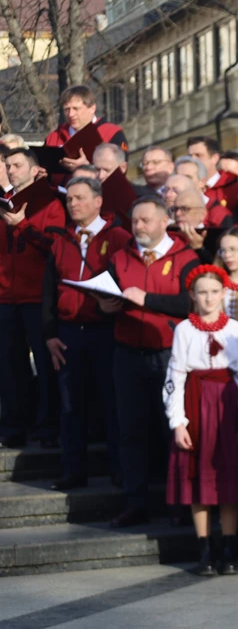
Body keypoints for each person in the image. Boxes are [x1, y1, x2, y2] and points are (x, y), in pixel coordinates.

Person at [105, 197, 200, 527]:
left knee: (169, 428)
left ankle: (179, 503)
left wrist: (148, 300)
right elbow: (107, 290)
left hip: (169, 355)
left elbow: (191, 302)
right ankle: (135, 502)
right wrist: (105, 305)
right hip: (128, 351)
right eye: (134, 221)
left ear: (164, 222)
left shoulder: (185, 258)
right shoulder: (120, 257)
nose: (138, 226)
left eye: (145, 220)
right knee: (130, 430)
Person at [165, 264, 238, 576]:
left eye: (215, 292)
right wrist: (178, 421)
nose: (209, 298)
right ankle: (204, 547)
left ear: (224, 294)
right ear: (193, 295)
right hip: (196, 402)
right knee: (197, 476)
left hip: (227, 406)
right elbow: (175, 376)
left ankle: (229, 547)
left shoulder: (236, 331)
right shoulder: (184, 331)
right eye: (202, 292)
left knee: (228, 477)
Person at [42, 176, 131, 489]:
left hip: (105, 330)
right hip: (68, 332)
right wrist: (50, 332)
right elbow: (49, 290)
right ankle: (73, 471)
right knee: (70, 405)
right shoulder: (61, 238)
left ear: (98, 201)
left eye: (80, 198)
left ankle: (119, 470)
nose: (73, 204)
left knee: (111, 403)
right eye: (70, 199)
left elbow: (127, 281)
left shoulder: (118, 237)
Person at [0, 148, 67, 449]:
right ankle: (15, 427)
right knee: (10, 365)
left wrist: (23, 226)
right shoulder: (4, 203)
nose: (12, 170)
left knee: (44, 362)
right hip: (5, 296)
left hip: (37, 297)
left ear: (33, 169)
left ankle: (47, 426)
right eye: (8, 165)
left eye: (17, 165)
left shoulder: (50, 203)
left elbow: (55, 248)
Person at [43, 85, 129, 179]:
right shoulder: (53, 138)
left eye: (76, 109)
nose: (71, 114)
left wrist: (88, 168)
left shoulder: (112, 133)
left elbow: (120, 172)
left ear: (92, 108)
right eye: (67, 109)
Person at [188, 137, 238, 212]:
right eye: (190, 156)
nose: (192, 160)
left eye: (198, 155)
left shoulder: (233, 186)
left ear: (214, 158)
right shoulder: (185, 188)